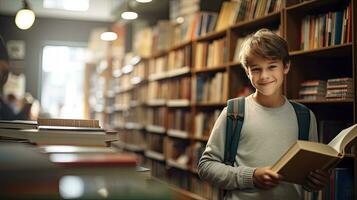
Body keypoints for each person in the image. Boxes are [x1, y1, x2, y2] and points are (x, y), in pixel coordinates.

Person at [197, 29, 329, 200]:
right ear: (247, 72)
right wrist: (251, 176)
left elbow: (307, 178)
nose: (265, 76)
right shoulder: (234, 112)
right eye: (256, 69)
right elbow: (206, 166)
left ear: (286, 66)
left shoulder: (304, 117)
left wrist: (315, 181)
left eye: (272, 66)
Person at [0, 35, 31, 120]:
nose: (3, 78)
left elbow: (12, 121)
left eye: (5, 73)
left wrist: (26, 107)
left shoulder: (2, 105)